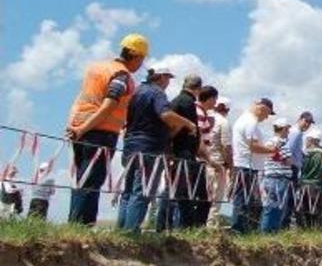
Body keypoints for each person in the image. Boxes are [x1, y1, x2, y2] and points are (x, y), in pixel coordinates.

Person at [66, 33, 147, 225]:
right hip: (100, 132)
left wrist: (75, 126)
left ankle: (74, 223)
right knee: (92, 181)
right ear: (137, 57)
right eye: (141, 60)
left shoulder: (96, 68)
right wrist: (85, 127)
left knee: (80, 178)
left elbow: (81, 98)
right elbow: (108, 105)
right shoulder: (121, 75)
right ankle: (83, 225)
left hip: (80, 127)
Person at [116, 66, 195, 233]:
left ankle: (121, 230)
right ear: (161, 78)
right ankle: (131, 231)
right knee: (143, 190)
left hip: (130, 144)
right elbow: (165, 115)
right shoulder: (157, 93)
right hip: (149, 146)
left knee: (128, 191)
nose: (168, 83)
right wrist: (186, 123)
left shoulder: (137, 91)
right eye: (167, 78)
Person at [157, 74, 212, 231]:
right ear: (198, 88)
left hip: (178, 150)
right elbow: (178, 125)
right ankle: (185, 227)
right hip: (183, 151)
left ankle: (169, 226)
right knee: (183, 192)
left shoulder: (176, 100)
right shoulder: (188, 102)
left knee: (178, 190)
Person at [230, 98, 277, 233]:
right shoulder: (251, 122)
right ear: (262, 108)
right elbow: (254, 146)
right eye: (267, 113)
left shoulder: (244, 119)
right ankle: (239, 230)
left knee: (245, 199)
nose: (267, 117)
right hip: (247, 166)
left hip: (245, 165)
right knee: (244, 200)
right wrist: (272, 150)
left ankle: (241, 229)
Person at [280, 111, 315, 229]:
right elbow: (288, 150)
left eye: (309, 123)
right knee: (289, 199)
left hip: (292, 167)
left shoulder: (296, 132)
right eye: (306, 121)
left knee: (289, 199)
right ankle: (283, 226)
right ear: (300, 119)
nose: (307, 124)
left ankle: (283, 225)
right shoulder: (296, 133)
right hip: (291, 168)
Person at [192, 86, 220, 227]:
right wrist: (209, 159)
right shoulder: (198, 112)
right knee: (203, 197)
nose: (215, 102)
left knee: (201, 196)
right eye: (215, 99)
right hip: (199, 159)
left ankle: (196, 226)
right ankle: (197, 226)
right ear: (209, 98)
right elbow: (199, 138)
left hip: (200, 158)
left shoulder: (201, 112)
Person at [260, 117, 294, 233]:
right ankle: (270, 232)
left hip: (269, 176)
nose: (288, 132)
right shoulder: (281, 143)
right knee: (277, 207)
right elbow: (288, 160)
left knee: (270, 205)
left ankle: (266, 231)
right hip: (279, 177)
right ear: (283, 129)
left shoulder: (269, 141)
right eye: (287, 129)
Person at [205, 96, 233, 227]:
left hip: (203, 161)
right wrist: (230, 165)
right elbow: (226, 146)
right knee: (219, 199)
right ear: (227, 109)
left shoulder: (206, 118)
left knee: (204, 197)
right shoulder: (223, 122)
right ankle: (212, 227)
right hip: (218, 164)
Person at [298, 130, 322, 229]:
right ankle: (316, 232)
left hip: (304, 185)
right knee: (318, 212)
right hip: (318, 186)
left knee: (304, 211)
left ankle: (305, 231)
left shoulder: (305, 154)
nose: (306, 142)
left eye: (307, 140)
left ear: (312, 140)